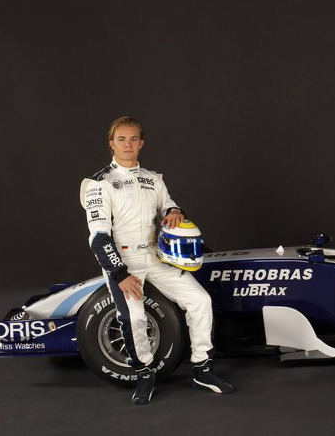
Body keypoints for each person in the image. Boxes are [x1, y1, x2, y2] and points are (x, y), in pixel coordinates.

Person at [80, 116, 234, 404]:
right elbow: (98, 238)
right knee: (135, 317)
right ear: (111, 144)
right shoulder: (99, 184)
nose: (128, 144)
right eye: (122, 139)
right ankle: (145, 374)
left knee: (200, 301)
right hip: (124, 261)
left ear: (142, 143)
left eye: (134, 139)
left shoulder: (153, 179)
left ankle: (202, 368)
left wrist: (175, 213)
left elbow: (169, 206)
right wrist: (119, 273)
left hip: (157, 256)